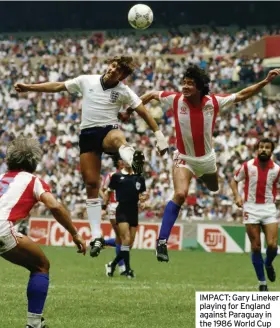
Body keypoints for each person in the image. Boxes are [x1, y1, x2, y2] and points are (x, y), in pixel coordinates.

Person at [121, 65, 280, 262]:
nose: (185, 86)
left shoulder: (213, 103)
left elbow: (242, 94)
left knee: (214, 188)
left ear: (199, 87)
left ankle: (205, 180)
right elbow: (151, 94)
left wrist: (265, 82)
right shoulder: (176, 99)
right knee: (180, 194)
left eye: (190, 83)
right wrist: (130, 110)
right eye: (184, 82)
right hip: (183, 158)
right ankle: (162, 242)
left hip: (206, 160)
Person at [14, 56, 168, 258]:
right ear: (109, 65)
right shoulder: (87, 80)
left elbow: (143, 111)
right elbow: (59, 86)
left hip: (107, 130)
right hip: (87, 136)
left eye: (119, 71)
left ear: (123, 76)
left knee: (117, 138)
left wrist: (159, 136)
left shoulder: (123, 91)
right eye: (113, 66)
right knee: (91, 186)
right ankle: (96, 235)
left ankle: (132, 159)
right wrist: (29, 87)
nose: (113, 70)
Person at [0, 135, 86, 328]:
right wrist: (74, 233)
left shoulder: (2, 177)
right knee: (41, 266)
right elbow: (55, 206)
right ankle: (34, 325)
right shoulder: (33, 181)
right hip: (2, 228)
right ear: (34, 162)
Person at [230, 138, 280, 291]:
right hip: (251, 208)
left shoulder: (277, 170)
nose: (263, 150)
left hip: (268, 208)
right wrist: (237, 196)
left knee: (272, 245)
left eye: (267, 147)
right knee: (256, 246)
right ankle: (262, 283)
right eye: (261, 147)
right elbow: (234, 181)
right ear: (257, 149)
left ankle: (268, 263)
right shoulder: (248, 166)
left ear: (271, 151)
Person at [104, 162, 148, 278]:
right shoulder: (116, 176)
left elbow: (141, 194)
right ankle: (127, 269)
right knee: (125, 239)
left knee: (129, 244)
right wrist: (104, 207)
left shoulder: (139, 177)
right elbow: (107, 192)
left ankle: (112, 264)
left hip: (133, 211)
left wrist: (143, 200)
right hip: (121, 209)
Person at [101, 155, 126, 273]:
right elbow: (103, 190)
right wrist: (105, 205)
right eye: (122, 160)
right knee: (121, 238)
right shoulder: (111, 176)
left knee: (125, 239)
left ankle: (102, 243)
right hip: (114, 208)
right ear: (118, 163)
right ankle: (122, 267)